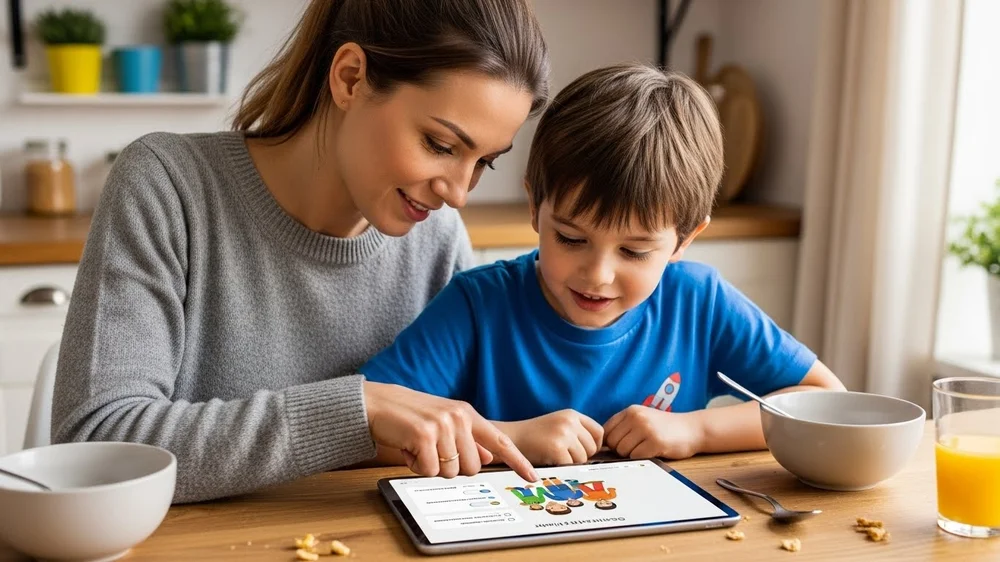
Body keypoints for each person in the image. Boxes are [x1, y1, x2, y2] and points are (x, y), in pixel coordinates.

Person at [51, 0, 550, 504]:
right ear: (351, 78)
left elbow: (477, 429)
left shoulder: (438, 237)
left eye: (483, 161)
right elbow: (92, 448)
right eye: (440, 145)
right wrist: (358, 409)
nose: (458, 193)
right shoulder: (168, 186)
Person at [361, 63, 847, 467]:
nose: (597, 274)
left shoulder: (699, 301)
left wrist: (696, 429)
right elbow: (365, 428)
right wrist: (508, 438)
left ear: (684, 239)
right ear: (536, 208)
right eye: (571, 238)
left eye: (635, 252)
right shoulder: (477, 305)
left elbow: (824, 403)